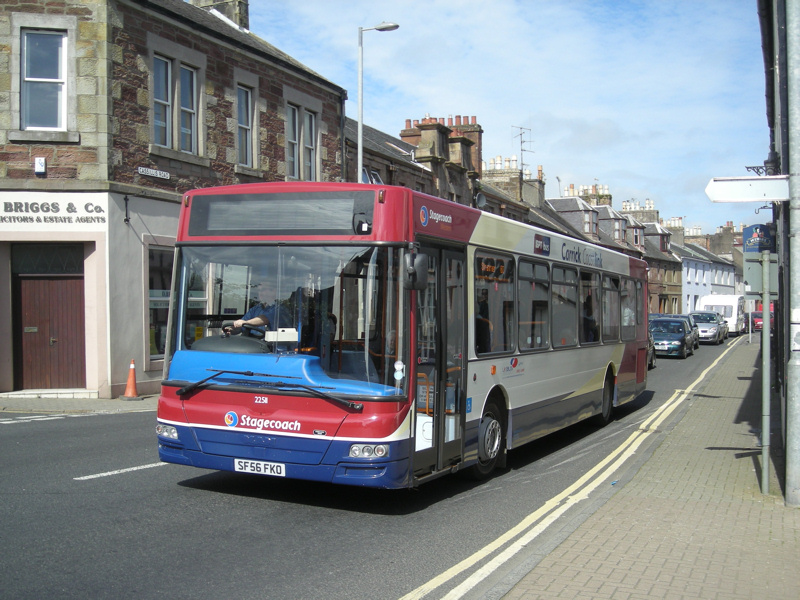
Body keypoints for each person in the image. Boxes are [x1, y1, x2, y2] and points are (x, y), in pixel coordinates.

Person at [226, 280, 291, 335]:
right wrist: (231, 330)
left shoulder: (280, 309)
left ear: (273, 291)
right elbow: (242, 325)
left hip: (272, 347)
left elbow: (265, 319)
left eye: (263, 290)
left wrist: (246, 323)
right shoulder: (256, 309)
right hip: (253, 344)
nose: (260, 293)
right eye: (259, 290)